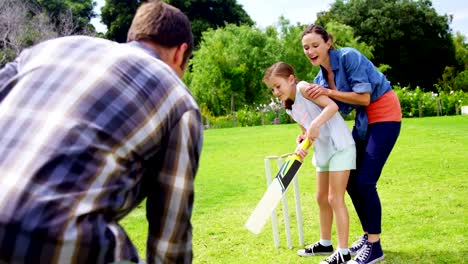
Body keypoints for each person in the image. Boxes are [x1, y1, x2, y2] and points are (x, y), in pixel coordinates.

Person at [0, 0, 203, 263]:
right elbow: (170, 239)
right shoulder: (179, 101)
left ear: (133, 36)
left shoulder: (47, 49)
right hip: (62, 241)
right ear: (180, 53)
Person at [301, 24, 402, 264]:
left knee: (366, 181)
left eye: (315, 45)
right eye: (306, 47)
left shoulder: (349, 57)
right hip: (364, 121)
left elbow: (364, 97)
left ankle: (375, 246)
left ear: (328, 42)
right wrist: (307, 132)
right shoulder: (319, 78)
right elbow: (327, 113)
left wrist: (328, 92)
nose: (311, 51)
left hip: (385, 115)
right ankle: (368, 237)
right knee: (350, 181)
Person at [263, 62, 356, 264]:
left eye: (278, 86)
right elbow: (307, 132)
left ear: (291, 79)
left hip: (339, 145)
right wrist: (302, 139)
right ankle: (325, 243)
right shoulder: (289, 107)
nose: (276, 92)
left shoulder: (304, 88)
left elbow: (332, 107)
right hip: (323, 151)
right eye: (272, 89)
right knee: (321, 198)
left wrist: (314, 125)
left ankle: (343, 251)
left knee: (334, 198)